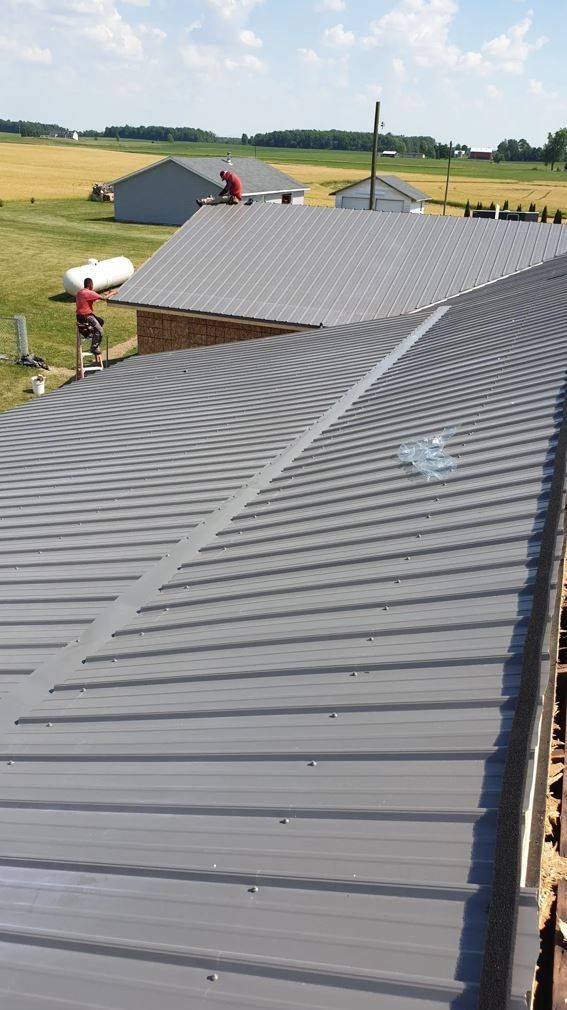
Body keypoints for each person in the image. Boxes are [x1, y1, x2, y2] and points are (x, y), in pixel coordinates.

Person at [75, 278, 115, 354]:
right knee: (100, 330)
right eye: (92, 284)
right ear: (90, 284)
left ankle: (88, 331)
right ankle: (94, 347)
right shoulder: (89, 293)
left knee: (101, 321)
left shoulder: (79, 292)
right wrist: (113, 293)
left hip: (79, 316)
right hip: (86, 317)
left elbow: (91, 299)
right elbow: (104, 298)